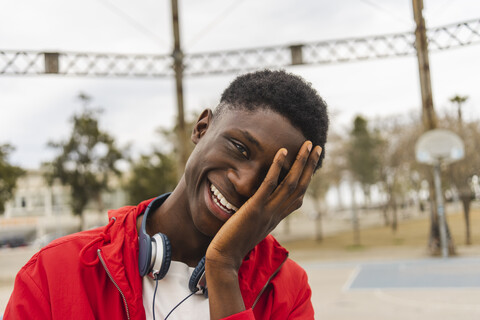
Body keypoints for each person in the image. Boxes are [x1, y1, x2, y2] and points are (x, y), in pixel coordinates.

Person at [4, 69, 329, 320]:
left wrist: (224, 268)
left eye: (274, 177)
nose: (245, 184)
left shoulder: (286, 291)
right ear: (202, 128)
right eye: (240, 148)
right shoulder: (55, 271)